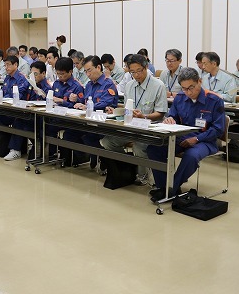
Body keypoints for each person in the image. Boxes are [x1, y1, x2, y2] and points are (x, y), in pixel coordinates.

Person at [146, 68, 225, 202]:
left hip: (205, 140)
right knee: (154, 149)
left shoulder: (214, 100)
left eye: (191, 88)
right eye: (184, 88)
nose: (188, 92)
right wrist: (169, 119)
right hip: (181, 138)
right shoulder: (180, 98)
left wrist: (197, 138)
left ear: (199, 82)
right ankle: (164, 187)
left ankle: (170, 189)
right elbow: (174, 117)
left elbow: (218, 129)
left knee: (191, 156)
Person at [102, 54, 168, 183]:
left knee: (139, 147)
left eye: (139, 71)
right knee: (108, 142)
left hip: (150, 128)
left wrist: (144, 116)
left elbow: (160, 113)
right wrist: (115, 111)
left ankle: (142, 175)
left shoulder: (158, 85)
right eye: (133, 72)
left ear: (146, 67)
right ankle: (128, 166)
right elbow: (127, 109)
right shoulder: (129, 85)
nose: (136, 75)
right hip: (132, 126)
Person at [74, 55, 119, 171]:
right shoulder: (89, 85)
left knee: (89, 136)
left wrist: (88, 107)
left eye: (89, 70)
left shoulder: (108, 84)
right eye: (85, 71)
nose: (87, 74)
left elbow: (105, 103)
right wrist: (78, 102)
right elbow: (85, 100)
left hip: (104, 123)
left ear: (98, 67)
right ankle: (91, 156)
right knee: (72, 133)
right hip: (89, 120)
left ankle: (102, 159)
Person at [4, 61, 52, 161]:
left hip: (41, 118)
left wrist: (41, 95)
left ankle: (32, 147)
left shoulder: (47, 87)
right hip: (29, 113)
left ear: (43, 74)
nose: (33, 76)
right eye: (32, 74)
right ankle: (15, 150)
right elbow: (20, 92)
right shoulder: (30, 82)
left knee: (21, 122)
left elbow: (49, 104)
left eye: (36, 74)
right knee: (18, 120)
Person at [0, 56, 31, 160]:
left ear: (15, 65)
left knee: (17, 121)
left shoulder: (21, 78)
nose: (6, 67)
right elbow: (5, 92)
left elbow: (18, 96)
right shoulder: (7, 77)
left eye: (8, 65)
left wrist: (4, 98)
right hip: (7, 107)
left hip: (20, 110)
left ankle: (15, 150)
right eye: (5, 65)